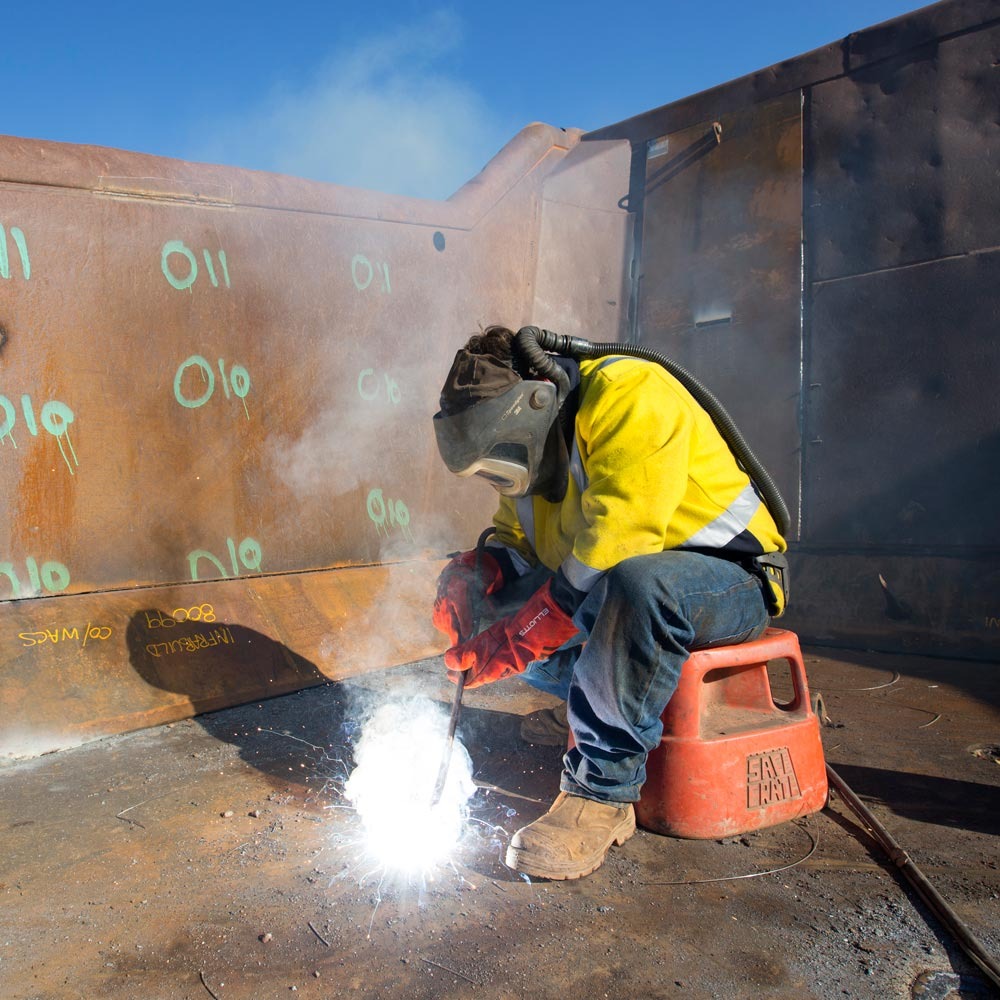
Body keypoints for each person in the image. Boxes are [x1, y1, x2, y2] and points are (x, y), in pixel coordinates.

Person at [431, 325, 787, 880]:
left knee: (635, 586)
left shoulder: (630, 392)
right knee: (502, 611)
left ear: (537, 404)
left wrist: (535, 626)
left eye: (500, 461)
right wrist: (481, 573)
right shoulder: (533, 459)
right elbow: (517, 541)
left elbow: (624, 539)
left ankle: (601, 794)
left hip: (723, 579)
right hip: (617, 586)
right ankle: (590, 707)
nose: (500, 478)